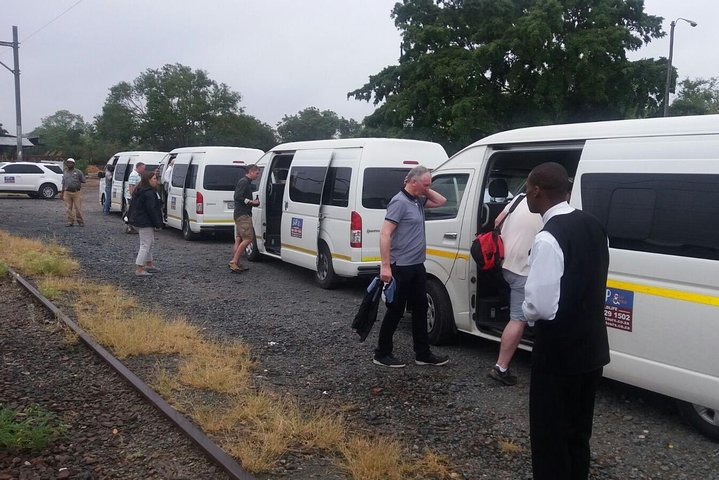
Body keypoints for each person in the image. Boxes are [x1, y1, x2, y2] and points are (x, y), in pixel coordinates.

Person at [521, 162, 610, 480]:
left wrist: (526, 314)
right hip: (593, 348)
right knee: (578, 434)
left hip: (558, 354)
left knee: (549, 438)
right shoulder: (593, 224)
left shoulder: (548, 237)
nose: (526, 196)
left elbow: (540, 305)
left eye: (526, 190)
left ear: (536, 191)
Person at [373, 165, 449, 368]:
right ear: (412, 181)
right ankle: (382, 353)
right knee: (396, 310)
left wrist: (425, 188)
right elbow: (385, 234)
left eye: (429, 185)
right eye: (425, 184)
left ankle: (422, 354)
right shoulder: (399, 202)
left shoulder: (417, 200)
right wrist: (385, 266)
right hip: (401, 266)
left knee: (421, 308)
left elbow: (441, 201)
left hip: (417, 265)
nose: (427, 188)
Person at [487, 192, 543, 385]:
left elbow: (496, 221)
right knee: (518, 319)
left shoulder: (519, 197)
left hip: (505, 263)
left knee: (523, 314)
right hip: (523, 269)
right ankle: (501, 367)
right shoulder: (547, 206)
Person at [128, 171, 163, 276]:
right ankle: (139, 268)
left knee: (149, 242)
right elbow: (152, 210)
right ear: (148, 180)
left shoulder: (139, 191)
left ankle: (149, 264)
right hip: (145, 222)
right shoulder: (149, 193)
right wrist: (158, 223)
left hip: (138, 220)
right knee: (145, 244)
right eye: (154, 179)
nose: (156, 181)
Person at [228, 164, 261, 272]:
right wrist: (251, 202)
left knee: (239, 238)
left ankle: (236, 262)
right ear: (251, 171)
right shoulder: (244, 182)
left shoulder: (245, 182)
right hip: (243, 215)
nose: (257, 175)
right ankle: (234, 261)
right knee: (248, 238)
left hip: (239, 214)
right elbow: (238, 197)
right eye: (257, 173)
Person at [59, 158, 86, 227]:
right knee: (68, 208)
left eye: (71, 163)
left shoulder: (78, 172)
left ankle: (80, 221)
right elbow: (63, 183)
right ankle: (70, 222)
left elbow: (83, 180)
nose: (69, 164)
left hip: (76, 192)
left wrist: (77, 180)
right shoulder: (65, 172)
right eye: (68, 163)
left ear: (74, 164)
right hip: (67, 192)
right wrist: (62, 193)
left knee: (78, 208)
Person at [125, 162, 145, 233]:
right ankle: (130, 227)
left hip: (134, 196)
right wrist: (133, 196)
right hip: (132, 197)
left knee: (133, 212)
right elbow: (131, 186)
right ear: (139, 167)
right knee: (132, 212)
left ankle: (131, 226)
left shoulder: (137, 175)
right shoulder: (134, 175)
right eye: (143, 168)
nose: (144, 170)